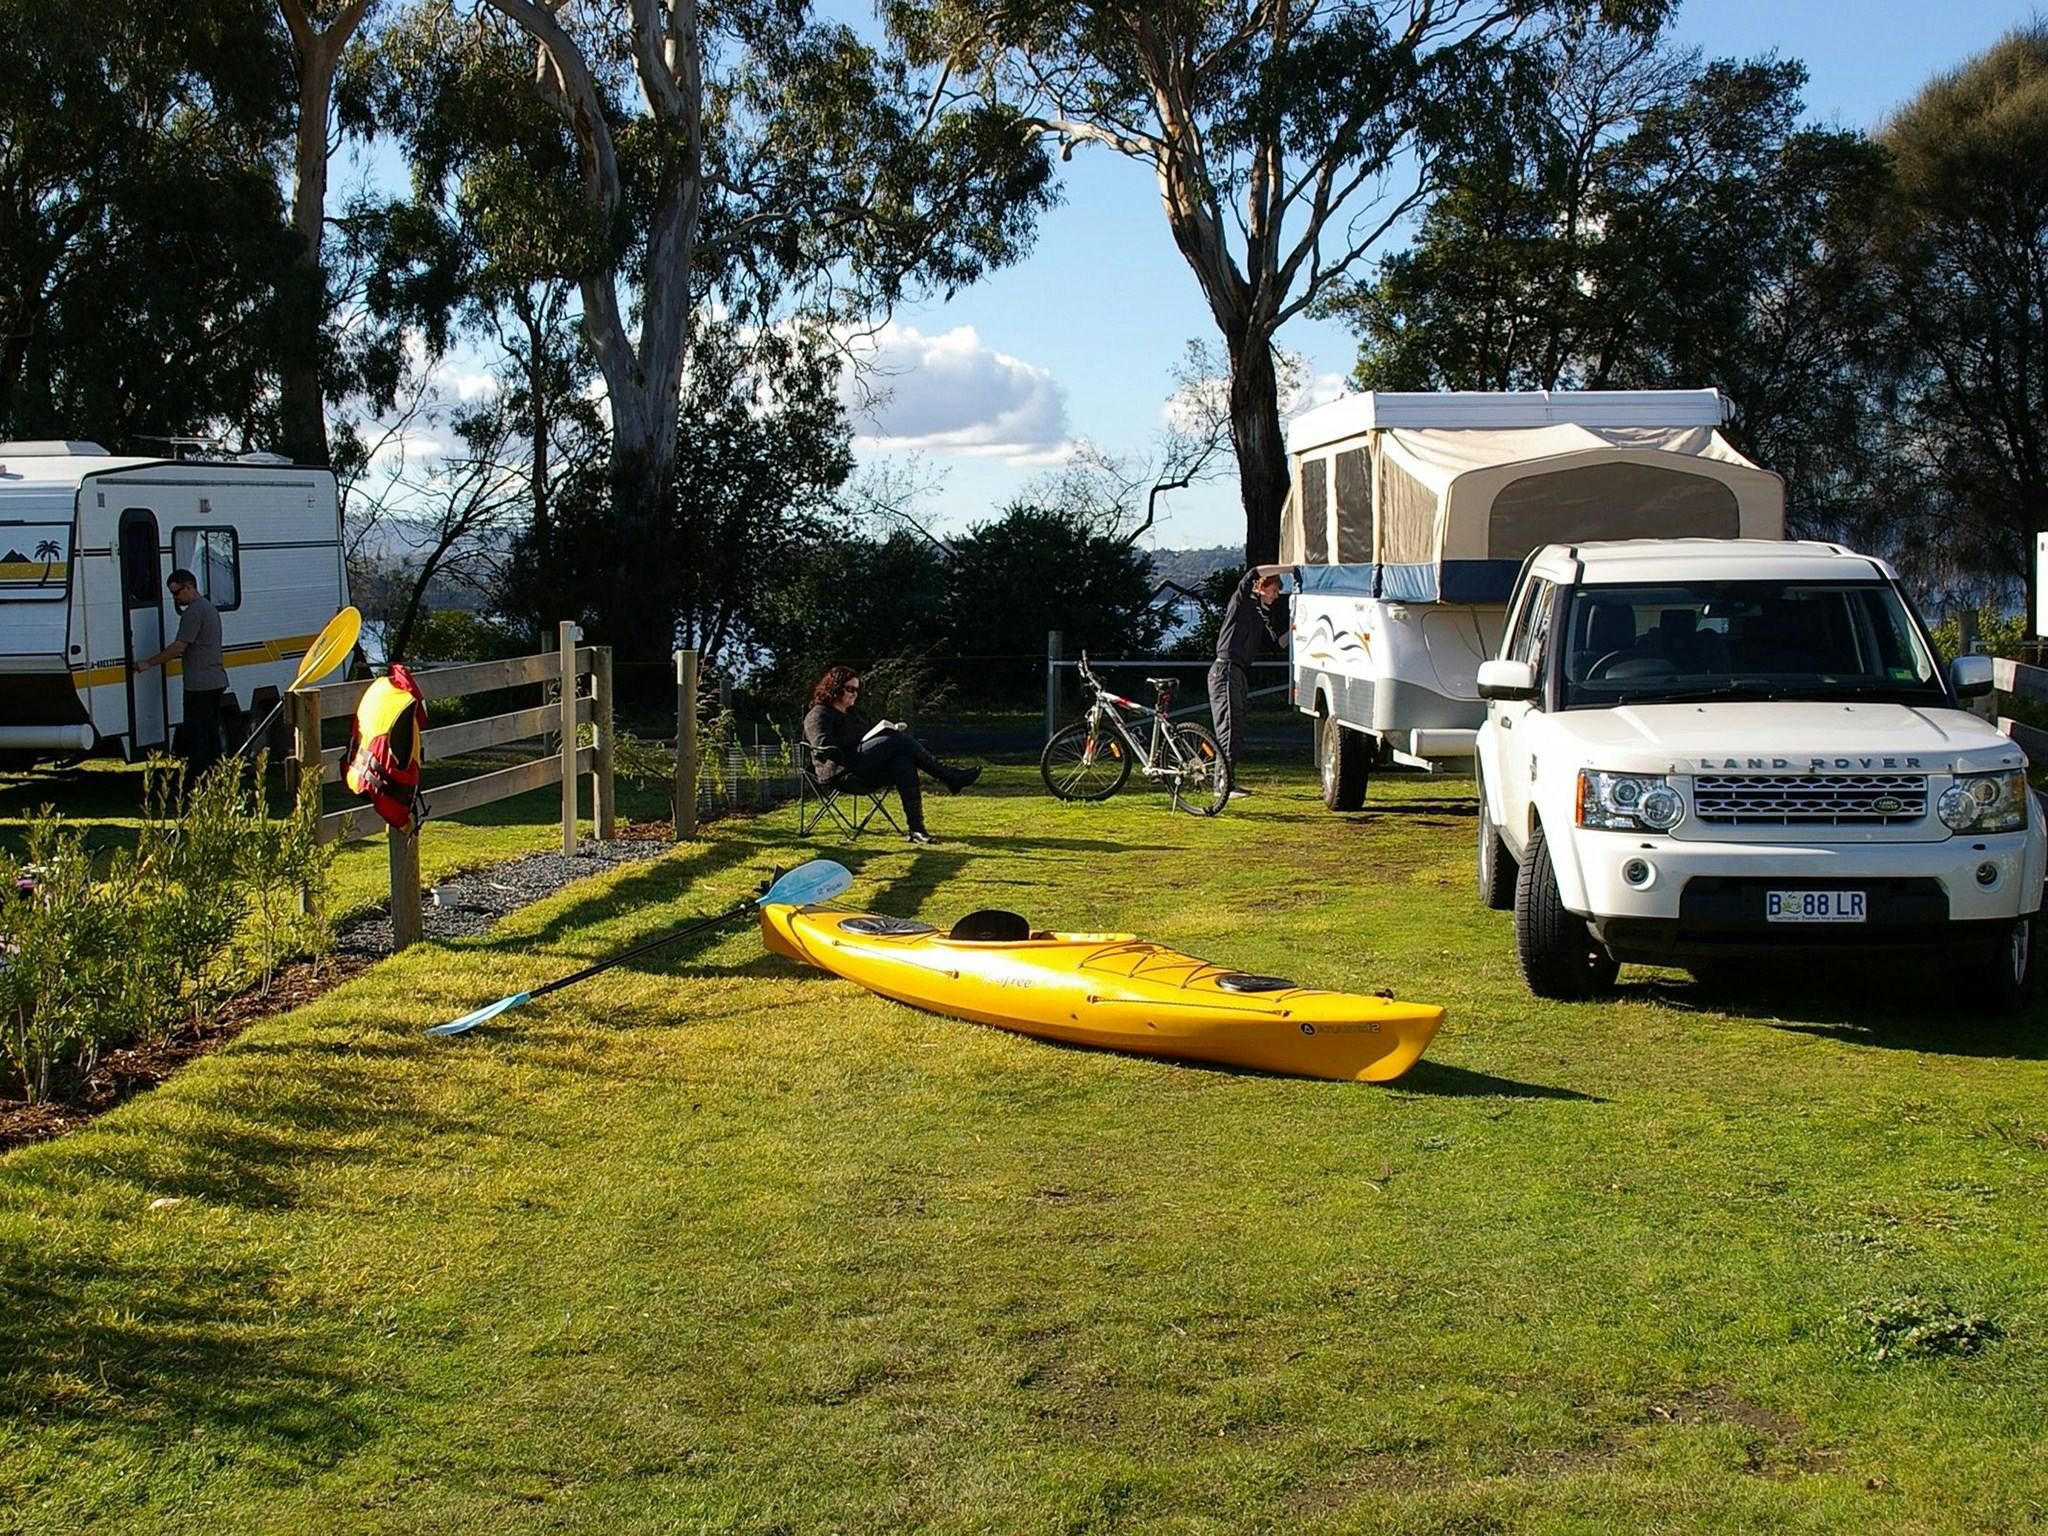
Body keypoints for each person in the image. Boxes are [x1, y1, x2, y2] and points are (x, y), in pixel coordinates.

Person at [802, 665, 980, 845]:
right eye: (850, 689)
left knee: (903, 763)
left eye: (857, 690)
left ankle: (917, 829)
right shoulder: (819, 713)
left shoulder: (856, 714)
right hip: (841, 772)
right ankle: (948, 776)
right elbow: (820, 744)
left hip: (865, 768)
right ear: (835, 687)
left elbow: (869, 739)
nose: (855, 694)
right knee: (894, 739)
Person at [133, 568, 227, 779]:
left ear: (189, 586)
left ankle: (198, 778)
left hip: (200, 684)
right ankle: (215, 775)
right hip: (214, 679)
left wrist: (149, 662)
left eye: (177, 592)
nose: (175, 598)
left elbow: (179, 646)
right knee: (210, 733)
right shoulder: (208, 608)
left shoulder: (194, 611)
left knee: (197, 734)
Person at [1207, 566, 1289, 796]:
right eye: (1273, 590)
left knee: (1237, 726)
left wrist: (1297, 629)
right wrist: (1289, 568)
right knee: (1229, 726)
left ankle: (1226, 781)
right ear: (1261, 588)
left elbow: (1276, 644)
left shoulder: (1261, 615)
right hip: (1226, 669)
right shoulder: (1242, 602)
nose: (1276, 595)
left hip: (1238, 671)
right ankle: (1222, 785)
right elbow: (1251, 573)